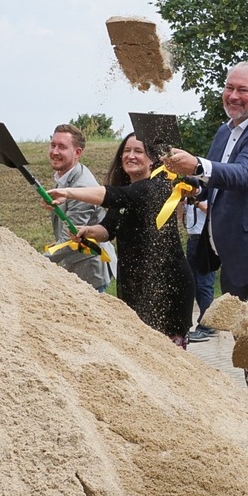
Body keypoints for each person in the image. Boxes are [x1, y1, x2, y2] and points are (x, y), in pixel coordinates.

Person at [162, 61, 248, 395]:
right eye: (229, 88)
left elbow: (243, 174)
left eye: (243, 90)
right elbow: (214, 183)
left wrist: (197, 164)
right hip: (235, 258)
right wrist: (192, 185)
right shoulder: (225, 132)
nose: (233, 96)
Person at [50, 132, 195, 347]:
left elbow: (115, 196)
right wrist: (88, 231)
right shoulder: (128, 189)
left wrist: (69, 192)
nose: (131, 156)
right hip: (134, 282)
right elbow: (108, 229)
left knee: (165, 357)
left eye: (138, 151)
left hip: (166, 285)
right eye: (126, 151)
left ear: (153, 159)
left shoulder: (157, 186)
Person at [44, 124, 109, 292]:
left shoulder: (82, 187)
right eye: (53, 145)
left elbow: (69, 240)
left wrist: (35, 262)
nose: (55, 152)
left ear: (77, 152)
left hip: (88, 273)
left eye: (62, 147)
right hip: (73, 265)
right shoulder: (66, 173)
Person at [182, 190, 218, 342]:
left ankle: (208, 325)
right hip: (192, 239)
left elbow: (212, 211)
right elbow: (180, 216)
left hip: (206, 239)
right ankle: (203, 321)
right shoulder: (188, 195)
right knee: (194, 283)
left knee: (204, 283)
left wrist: (195, 201)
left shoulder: (208, 191)